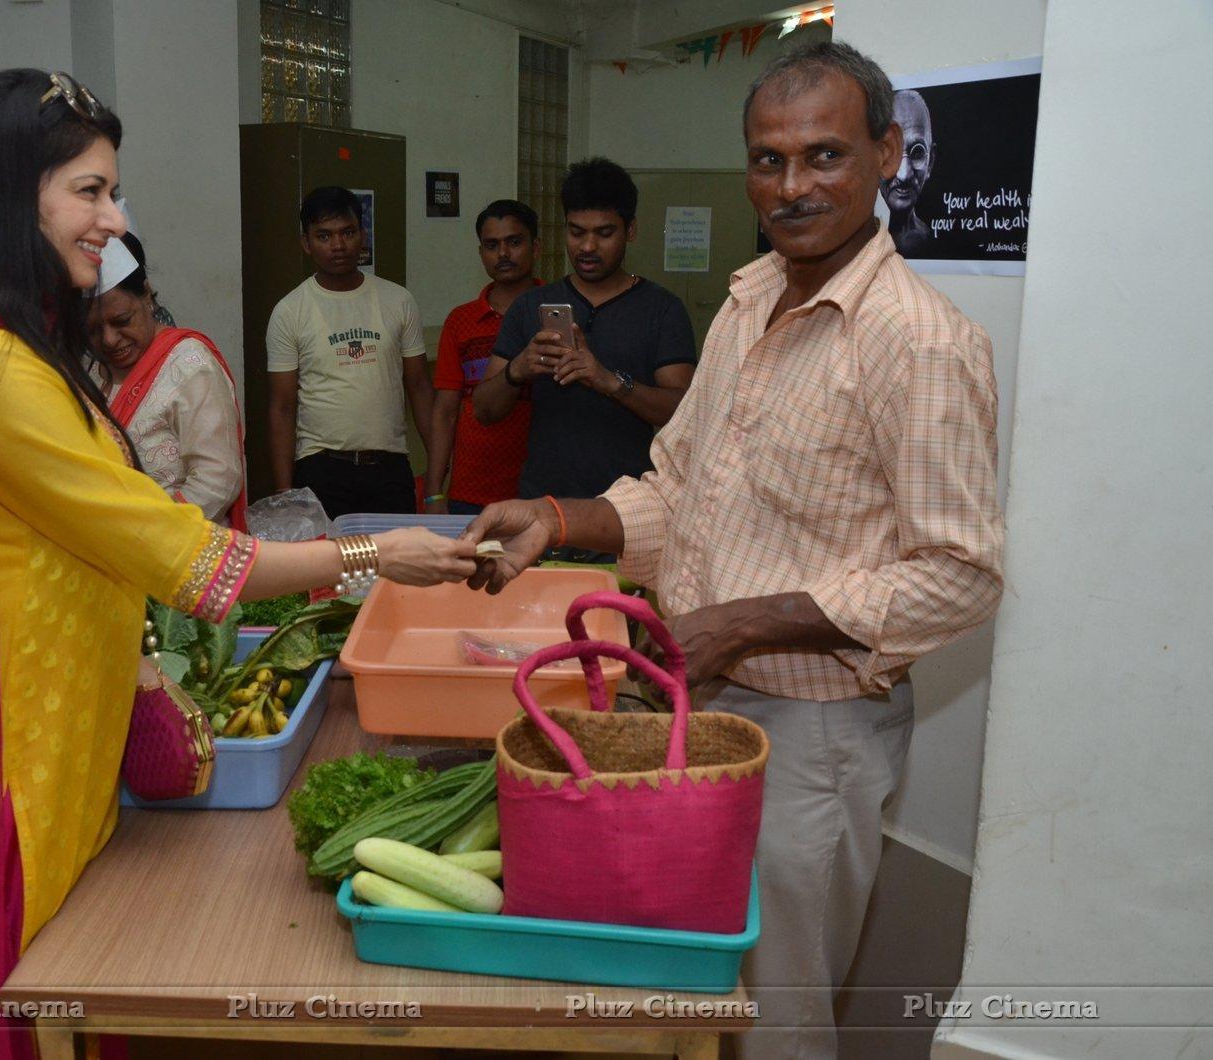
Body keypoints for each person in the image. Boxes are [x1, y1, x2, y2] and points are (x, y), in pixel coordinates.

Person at [0, 70, 474, 1057]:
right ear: (17, 191)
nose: (116, 217)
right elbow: (188, 561)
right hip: (4, 761)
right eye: (92, 191)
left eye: (113, 189)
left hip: (36, 738)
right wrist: (376, 554)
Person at [461, 40, 1004, 1060]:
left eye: (823, 156)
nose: (791, 186)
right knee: (675, 983)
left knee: (775, 1011)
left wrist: (745, 624)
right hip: (688, 696)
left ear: (887, 154)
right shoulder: (749, 303)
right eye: (767, 159)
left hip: (812, 731)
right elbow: (681, 487)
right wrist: (558, 520)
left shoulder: (919, 340)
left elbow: (957, 572)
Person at [470, 157, 697, 540]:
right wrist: (517, 370)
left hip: (629, 512)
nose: (588, 246)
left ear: (631, 230)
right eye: (576, 233)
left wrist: (608, 381)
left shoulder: (662, 309)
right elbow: (484, 410)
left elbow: (684, 412)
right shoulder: (530, 307)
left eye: (604, 233)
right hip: (544, 507)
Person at [265, 185, 433, 519]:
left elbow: (419, 388)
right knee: (329, 569)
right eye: (324, 236)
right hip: (321, 470)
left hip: (389, 467)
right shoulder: (290, 311)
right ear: (306, 243)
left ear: (363, 235)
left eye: (347, 232)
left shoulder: (398, 300)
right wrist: (286, 493)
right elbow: (282, 407)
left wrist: (439, 476)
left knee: (397, 568)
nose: (338, 246)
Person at [91, 231, 246, 527]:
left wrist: (153, 534)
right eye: (94, 330)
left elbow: (218, 478)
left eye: (122, 321)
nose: (109, 340)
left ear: (147, 296)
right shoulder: (93, 372)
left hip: (173, 551)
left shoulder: (190, 363)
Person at [423, 199, 542, 517]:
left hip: (542, 490)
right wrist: (434, 494)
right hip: (472, 491)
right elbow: (445, 413)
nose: (503, 254)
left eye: (514, 242)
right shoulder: (461, 321)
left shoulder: (556, 312)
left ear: (536, 247)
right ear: (481, 254)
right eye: (492, 245)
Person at [882, 89, 935, 256]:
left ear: (930, 162)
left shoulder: (930, 240)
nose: (904, 174)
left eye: (917, 153)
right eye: (890, 152)